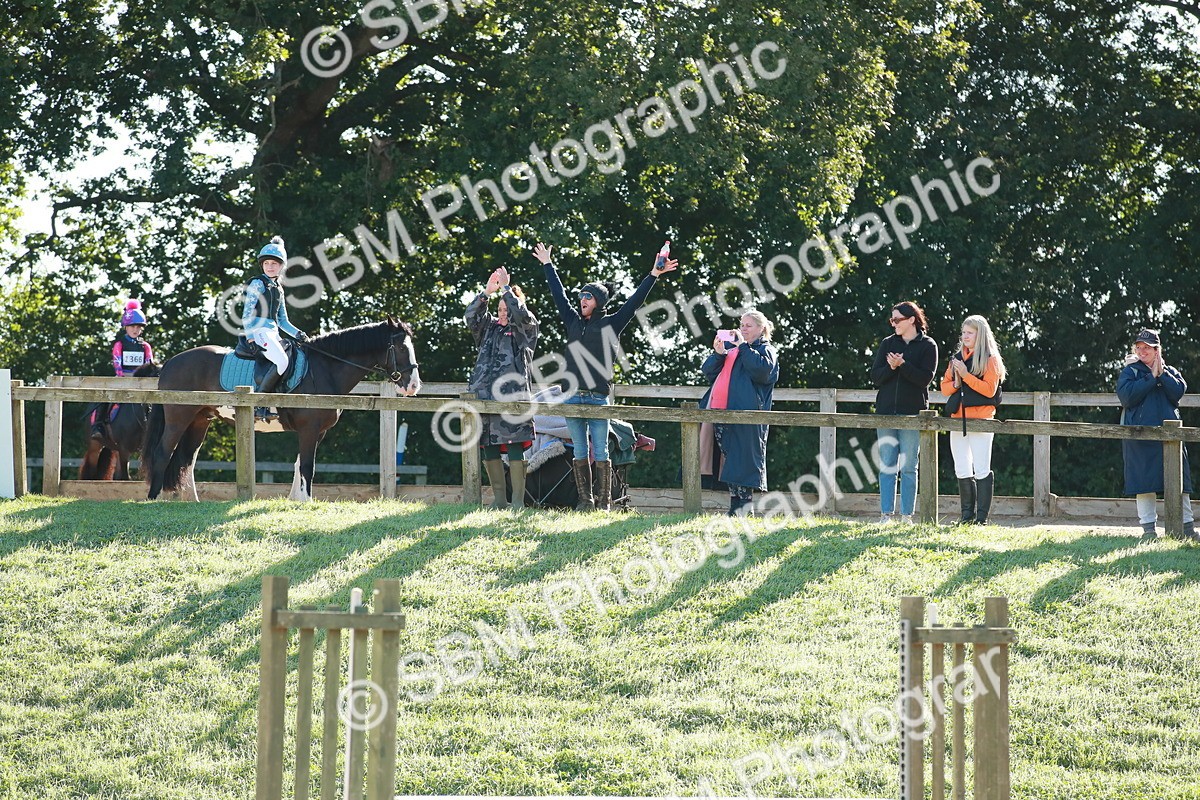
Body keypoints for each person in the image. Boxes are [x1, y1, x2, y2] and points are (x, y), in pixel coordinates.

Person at [533, 240, 677, 511]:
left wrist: (654, 275)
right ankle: (585, 501)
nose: (582, 300)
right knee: (579, 451)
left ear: (598, 301)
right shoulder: (573, 321)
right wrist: (547, 265)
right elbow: (559, 295)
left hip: (598, 398)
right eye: (582, 296)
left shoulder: (612, 323)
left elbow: (635, 302)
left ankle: (604, 502)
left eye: (588, 297)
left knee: (601, 451)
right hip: (572, 396)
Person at [466, 266, 539, 510]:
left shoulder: (524, 330)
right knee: (489, 445)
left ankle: (517, 502)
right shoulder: (489, 328)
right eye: (500, 309)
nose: (503, 313)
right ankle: (499, 501)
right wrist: (487, 292)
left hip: (513, 399)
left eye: (507, 309)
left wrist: (508, 290)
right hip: (484, 398)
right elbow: (471, 318)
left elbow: (523, 316)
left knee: (516, 444)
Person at [1117, 328, 1196, 539]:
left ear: (1157, 350)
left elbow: (1178, 391)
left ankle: (1187, 529)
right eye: (1139, 347)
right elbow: (1127, 397)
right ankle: (1148, 531)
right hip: (1140, 436)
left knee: (1180, 483)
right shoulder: (1130, 372)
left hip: (1170, 436)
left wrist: (1160, 373)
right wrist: (1150, 378)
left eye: (1148, 348)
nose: (1143, 351)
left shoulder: (1169, 372)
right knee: (1144, 484)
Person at [699, 311, 780, 515]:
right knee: (729, 459)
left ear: (761, 329)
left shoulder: (766, 349)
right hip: (720, 411)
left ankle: (744, 507)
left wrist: (743, 346)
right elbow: (708, 371)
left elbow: (762, 372)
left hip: (747, 414)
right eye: (741, 324)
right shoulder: (732, 349)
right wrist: (718, 353)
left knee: (743, 460)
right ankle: (735, 506)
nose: (743, 328)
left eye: (748, 325)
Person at [870, 300, 938, 523]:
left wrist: (903, 365)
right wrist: (891, 367)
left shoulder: (929, 346)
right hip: (886, 413)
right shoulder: (887, 343)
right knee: (887, 465)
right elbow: (876, 378)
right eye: (892, 320)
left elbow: (924, 379)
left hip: (913, 414)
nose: (894, 324)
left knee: (909, 467)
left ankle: (907, 515)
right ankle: (885, 515)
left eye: (897, 319)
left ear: (911, 320)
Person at [940, 314, 1007, 524]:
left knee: (981, 468)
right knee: (961, 467)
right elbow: (944, 388)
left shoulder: (991, 360)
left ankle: (981, 519)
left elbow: (989, 391)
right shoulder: (958, 358)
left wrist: (966, 375)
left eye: (970, 333)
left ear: (980, 335)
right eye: (964, 332)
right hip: (957, 419)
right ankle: (966, 517)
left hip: (981, 420)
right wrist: (958, 382)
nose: (965, 336)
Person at [242, 236, 309, 421]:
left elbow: (283, 321)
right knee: (281, 361)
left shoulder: (278, 288)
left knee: (293, 358)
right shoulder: (257, 283)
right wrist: (250, 337)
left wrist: (299, 334)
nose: (270, 267)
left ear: (281, 266)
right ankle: (260, 404)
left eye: (275, 263)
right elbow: (247, 314)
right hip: (258, 331)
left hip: (273, 332)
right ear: (262, 265)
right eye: (267, 263)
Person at [89, 300, 156, 440]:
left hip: (141, 383)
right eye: (132, 326)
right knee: (105, 398)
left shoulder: (145, 346)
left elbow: (149, 365)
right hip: (122, 379)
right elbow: (117, 364)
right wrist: (123, 377)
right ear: (126, 326)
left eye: (138, 326)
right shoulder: (119, 344)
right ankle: (99, 426)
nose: (135, 329)